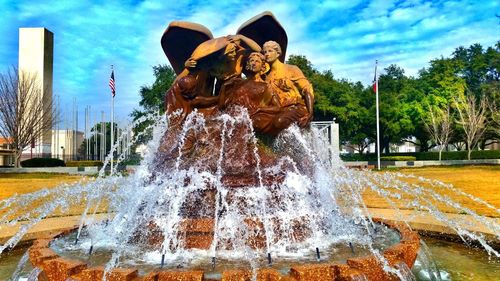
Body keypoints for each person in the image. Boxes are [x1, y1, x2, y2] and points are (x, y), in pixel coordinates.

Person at [262, 41, 314, 127]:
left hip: (297, 107)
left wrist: (310, 113)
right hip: (280, 110)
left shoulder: (291, 69)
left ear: (278, 53)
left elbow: (307, 89)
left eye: (270, 51)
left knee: (279, 121)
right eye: (265, 52)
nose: (267, 54)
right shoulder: (266, 77)